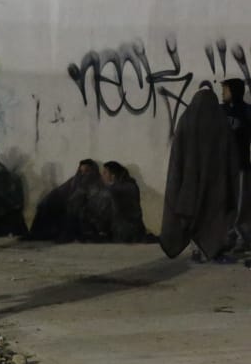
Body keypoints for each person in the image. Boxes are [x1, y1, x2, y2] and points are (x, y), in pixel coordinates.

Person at [161, 85, 236, 262]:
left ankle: (197, 250)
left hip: (189, 180)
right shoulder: (219, 121)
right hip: (215, 181)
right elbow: (230, 153)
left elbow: (177, 153)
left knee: (191, 212)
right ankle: (210, 250)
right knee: (211, 211)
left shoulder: (186, 120)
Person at [27, 159, 103, 242]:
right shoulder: (75, 179)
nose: (83, 174)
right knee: (45, 204)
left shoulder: (97, 183)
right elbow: (61, 190)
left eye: (86, 171)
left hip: (82, 209)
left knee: (72, 209)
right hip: (66, 202)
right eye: (81, 171)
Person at [221, 78, 251, 252]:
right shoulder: (220, 110)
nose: (223, 93)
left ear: (235, 91)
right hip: (224, 167)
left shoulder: (246, 111)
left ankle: (243, 239)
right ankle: (228, 237)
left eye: (226, 90)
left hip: (241, 165)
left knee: (241, 206)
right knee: (227, 204)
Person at [95, 161, 150, 243]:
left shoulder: (114, 190)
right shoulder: (131, 185)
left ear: (113, 175)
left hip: (123, 234)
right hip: (136, 232)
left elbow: (107, 212)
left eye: (105, 173)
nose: (102, 176)